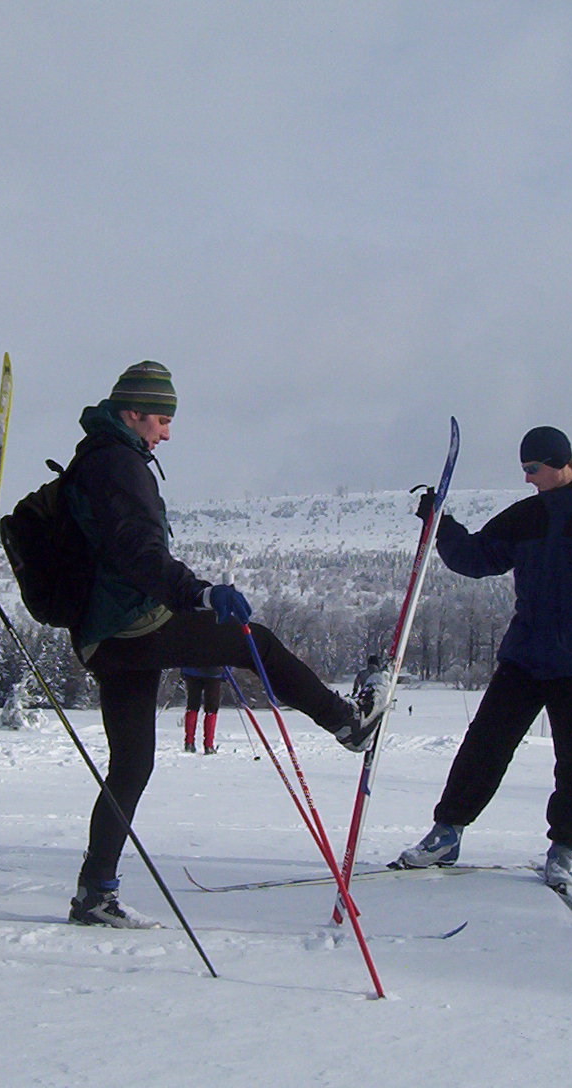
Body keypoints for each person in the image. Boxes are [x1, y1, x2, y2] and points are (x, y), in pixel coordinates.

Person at [60, 361, 386, 927]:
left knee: (131, 764)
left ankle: (94, 894)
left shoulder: (97, 457)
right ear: (131, 413)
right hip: (130, 624)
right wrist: (200, 593)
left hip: (103, 635)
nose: (167, 432)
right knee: (248, 639)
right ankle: (347, 722)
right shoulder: (117, 463)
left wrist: (189, 595)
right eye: (161, 419)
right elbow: (139, 554)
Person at [393, 426, 572, 888]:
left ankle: (565, 848)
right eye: (523, 469)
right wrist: (441, 525)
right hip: (526, 653)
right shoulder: (527, 516)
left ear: (561, 464)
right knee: (484, 746)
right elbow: (477, 558)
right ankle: (447, 834)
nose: (526, 478)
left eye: (532, 469)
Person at [181, 666, 224, 753]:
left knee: (192, 706)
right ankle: (209, 745)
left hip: (192, 671)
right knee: (211, 709)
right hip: (214, 673)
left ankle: (189, 743)